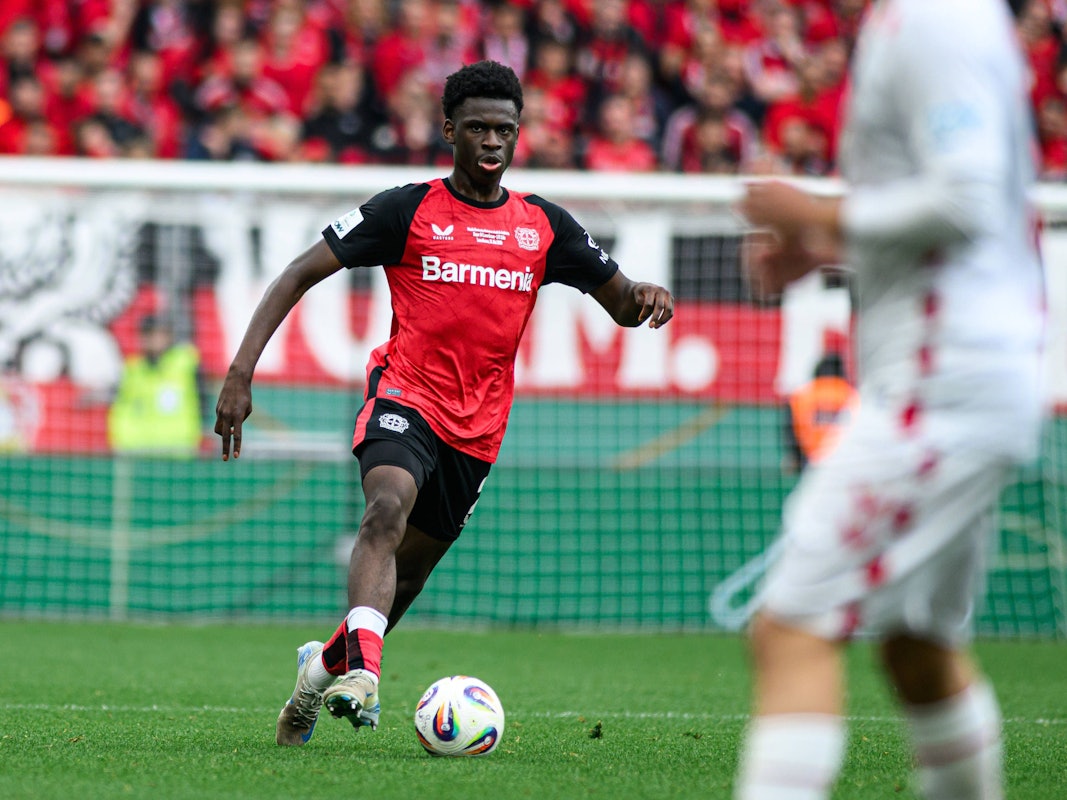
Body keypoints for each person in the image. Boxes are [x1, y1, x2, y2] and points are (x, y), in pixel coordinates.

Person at [214, 60, 674, 748]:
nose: (493, 141)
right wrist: (240, 372)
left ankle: (318, 674)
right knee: (385, 509)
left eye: (506, 130)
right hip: (404, 396)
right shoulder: (405, 209)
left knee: (408, 574)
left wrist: (646, 296)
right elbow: (298, 272)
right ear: (449, 130)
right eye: (480, 128)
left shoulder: (542, 226)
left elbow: (619, 302)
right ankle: (364, 675)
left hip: (478, 430)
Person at [734, 1, 1046, 798]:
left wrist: (815, 213)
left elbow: (964, 199)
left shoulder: (932, 21)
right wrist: (829, 248)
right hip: (964, 377)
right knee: (917, 647)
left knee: (790, 628)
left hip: (939, 386)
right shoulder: (933, 22)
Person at [108, 314, 204, 456]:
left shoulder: (186, 363)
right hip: (138, 452)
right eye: (150, 335)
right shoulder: (132, 370)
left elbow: (203, 401)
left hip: (179, 451)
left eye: (160, 334)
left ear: (170, 337)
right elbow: (120, 409)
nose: (155, 340)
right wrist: (121, 441)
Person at [782, 349, 856, 473]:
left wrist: (797, 457)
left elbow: (790, 431)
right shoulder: (852, 395)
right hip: (845, 463)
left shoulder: (801, 396)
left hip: (811, 463)